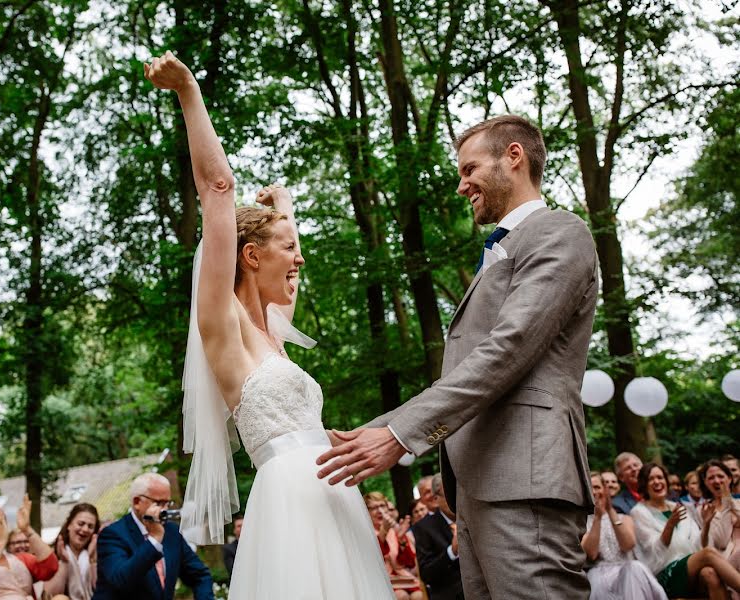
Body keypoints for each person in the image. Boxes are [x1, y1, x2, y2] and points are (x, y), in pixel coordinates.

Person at [143, 51, 393, 599]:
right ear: (250, 257)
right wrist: (188, 90)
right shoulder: (222, 322)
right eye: (288, 249)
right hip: (287, 501)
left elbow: (288, 267)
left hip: (334, 494)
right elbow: (218, 189)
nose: (300, 260)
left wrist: (287, 210)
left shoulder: (274, 337)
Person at [317, 114, 598, 598]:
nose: (462, 184)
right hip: (478, 489)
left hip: (524, 484)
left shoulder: (558, 232)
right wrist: (371, 430)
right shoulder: (498, 252)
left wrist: (401, 435)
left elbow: (507, 350)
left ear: (514, 157)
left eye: (469, 170)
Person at [93, 473, 212, 600]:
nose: (165, 509)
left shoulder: (172, 532)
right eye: (159, 503)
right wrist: (154, 540)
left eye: (167, 503)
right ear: (137, 502)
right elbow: (120, 580)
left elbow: (200, 576)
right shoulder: (112, 534)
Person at [631, 462, 740, 598]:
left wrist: (706, 525)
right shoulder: (639, 512)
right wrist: (669, 526)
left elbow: (698, 546)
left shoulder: (678, 507)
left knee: (709, 574)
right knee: (708, 554)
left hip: (689, 568)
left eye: (660, 477)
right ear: (643, 484)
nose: (657, 482)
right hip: (665, 572)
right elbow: (654, 554)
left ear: (666, 481)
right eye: (651, 479)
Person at [581, 473, 666, 600]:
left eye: (597, 487)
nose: (594, 491)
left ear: (605, 489)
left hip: (627, 570)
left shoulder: (624, 518)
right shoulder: (583, 522)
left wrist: (609, 510)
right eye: (590, 487)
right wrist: (597, 518)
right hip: (599, 572)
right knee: (596, 580)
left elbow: (627, 545)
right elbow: (591, 554)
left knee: (635, 568)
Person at [411, 479, 463, 600]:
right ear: (436, 499)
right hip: (451, 592)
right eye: (450, 495)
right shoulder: (424, 527)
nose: (456, 499)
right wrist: (452, 551)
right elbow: (427, 574)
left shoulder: (471, 517)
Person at [364, 493, 423, 600]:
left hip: (403, 578)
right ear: (366, 512)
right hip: (381, 580)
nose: (380, 511)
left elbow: (409, 562)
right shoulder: (365, 533)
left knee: (418, 596)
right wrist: (383, 533)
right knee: (401, 596)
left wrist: (401, 540)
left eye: (382, 506)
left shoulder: (395, 531)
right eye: (374, 508)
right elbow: (374, 561)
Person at [698, 459, 740, 592]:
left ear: (729, 478)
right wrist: (707, 524)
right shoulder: (703, 510)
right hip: (724, 562)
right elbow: (720, 541)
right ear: (705, 483)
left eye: (721, 476)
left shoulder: (738, 502)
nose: (716, 481)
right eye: (711, 478)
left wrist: (727, 500)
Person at [44, 504, 99, 600]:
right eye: (81, 524)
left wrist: (92, 560)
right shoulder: (51, 554)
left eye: (90, 526)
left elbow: (103, 591)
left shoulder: (100, 555)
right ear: (69, 525)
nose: (85, 529)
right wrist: (64, 562)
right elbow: (50, 594)